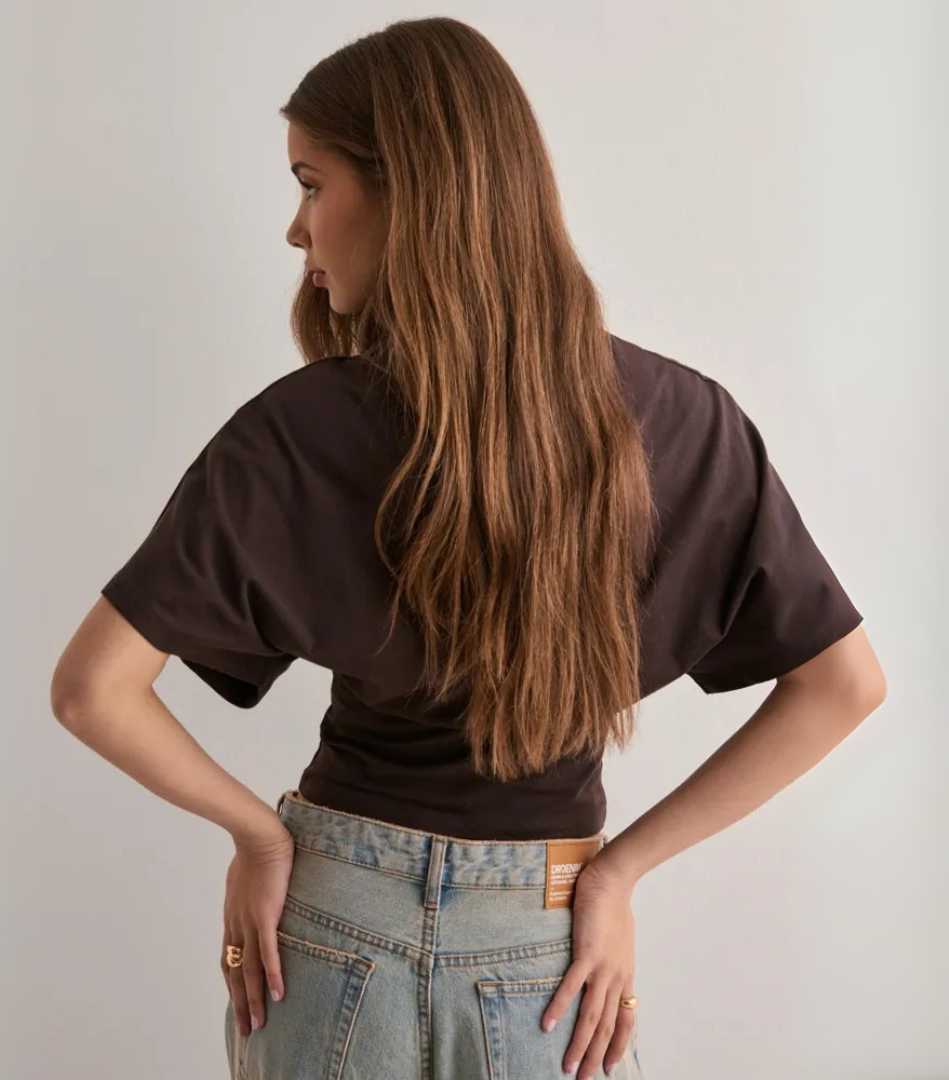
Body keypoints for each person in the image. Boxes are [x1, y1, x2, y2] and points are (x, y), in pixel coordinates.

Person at [49, 16, 887, 1080]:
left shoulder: (297, 430)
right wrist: (618, 875)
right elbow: (844, 685)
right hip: (550, 958)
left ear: (405, 191)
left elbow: (93, 690)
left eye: (311, 184)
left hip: (327, 933)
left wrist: (259, 838)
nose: (297, 230)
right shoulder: (685, 422)